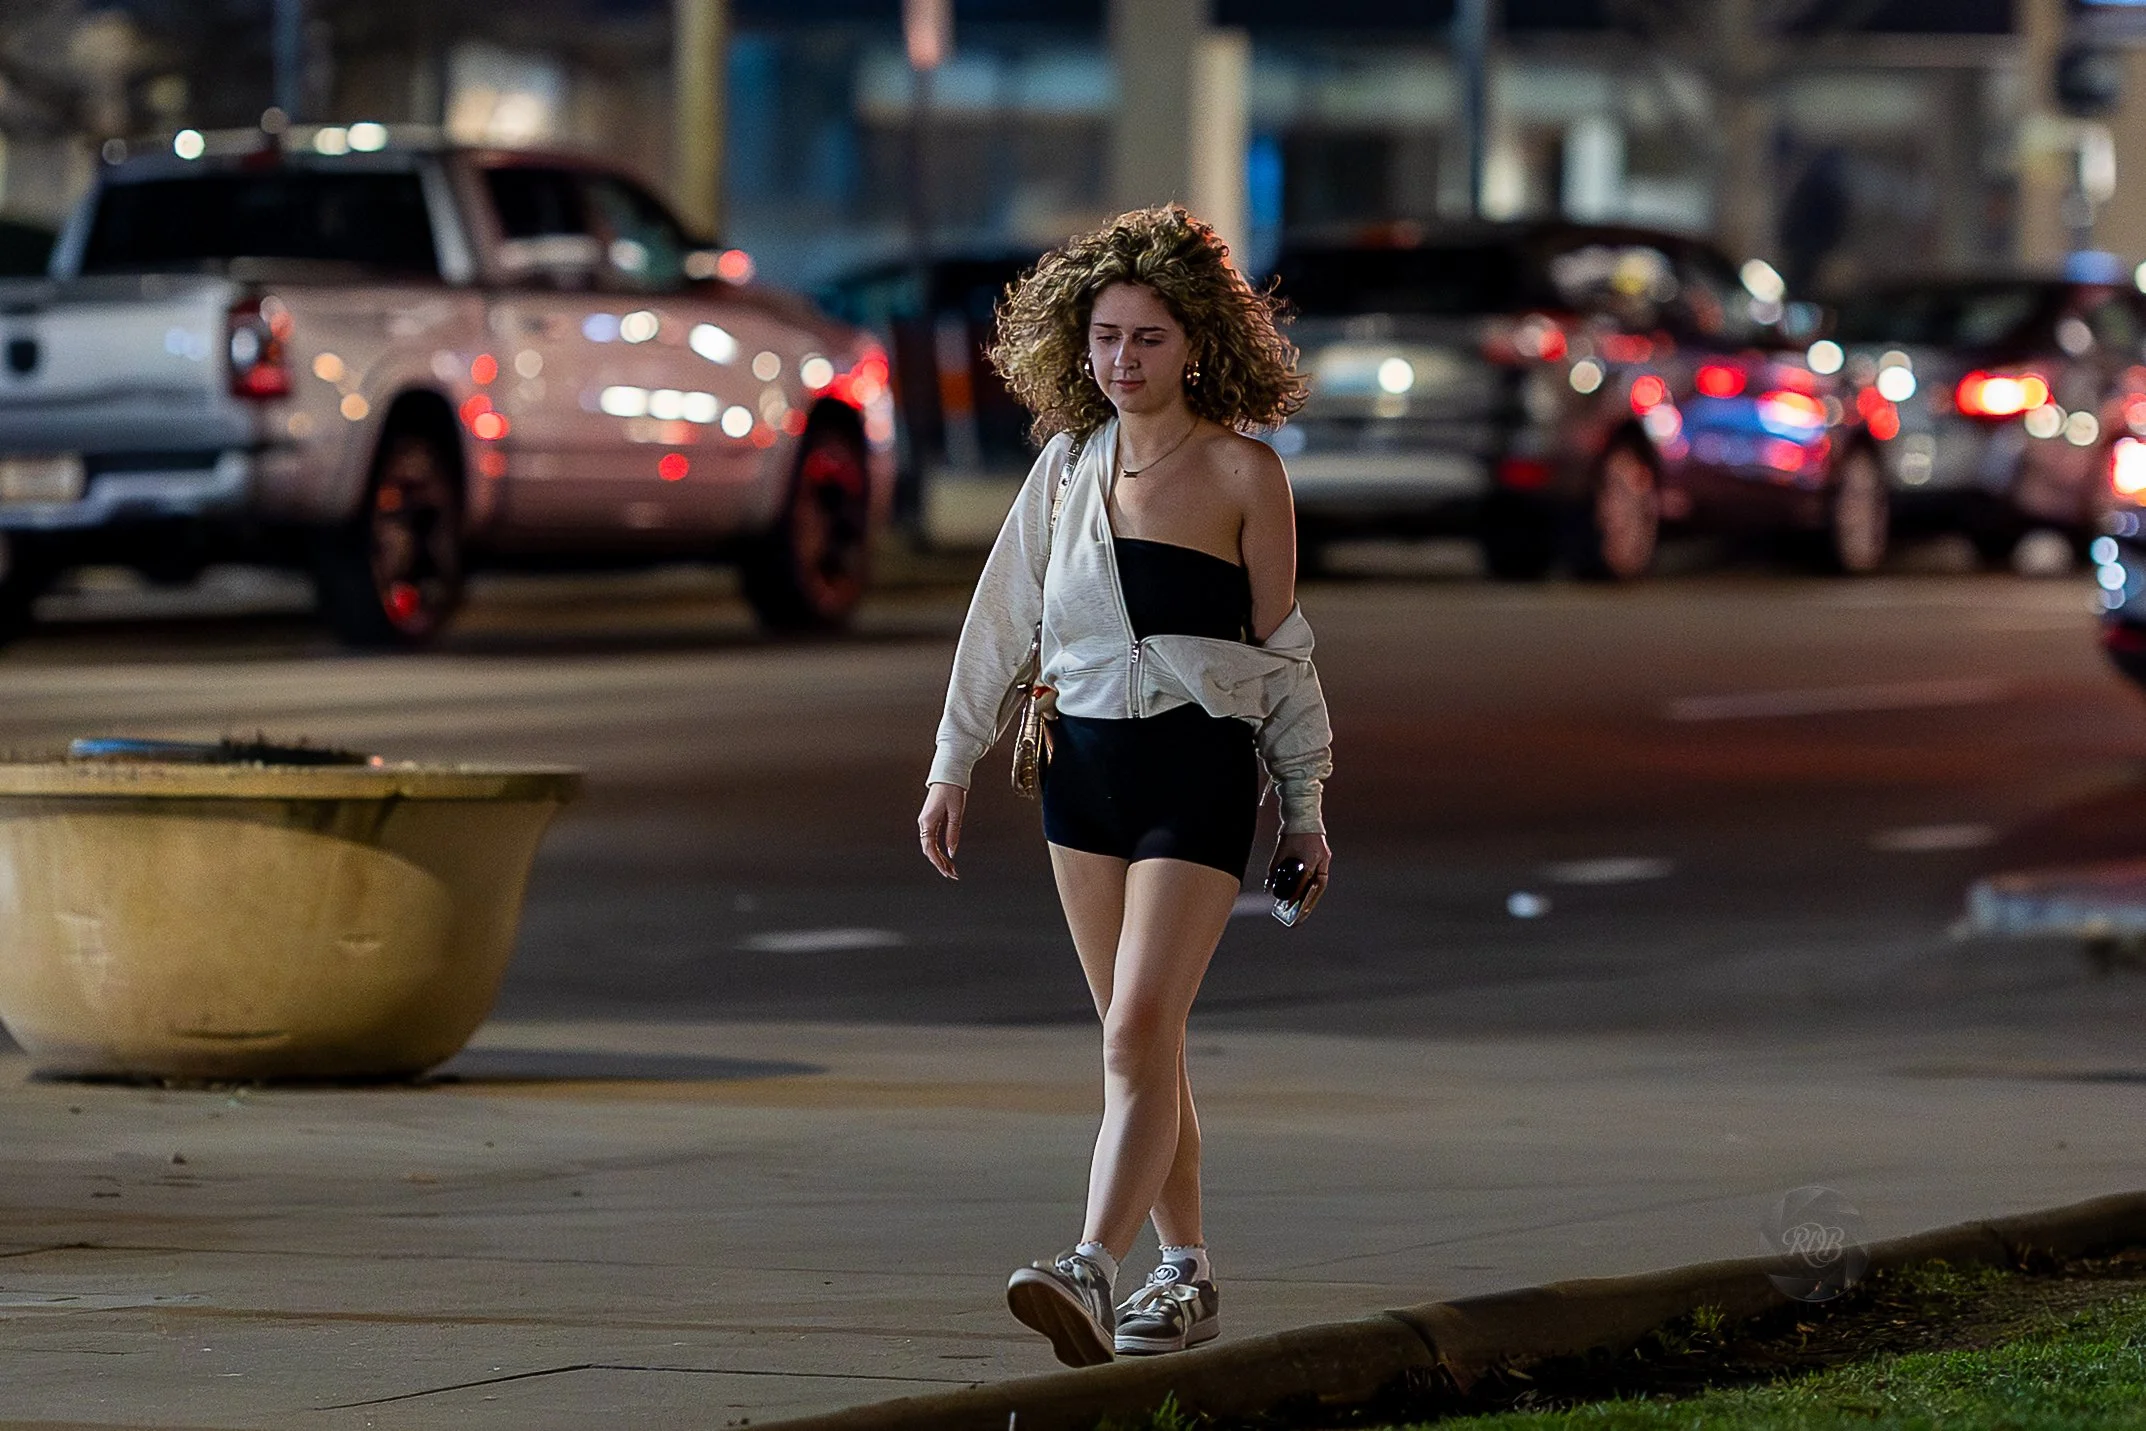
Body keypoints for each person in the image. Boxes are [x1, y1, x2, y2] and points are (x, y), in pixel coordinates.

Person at [915, 205, 1334, 1368]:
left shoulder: (1244, 473)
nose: (1121, 361)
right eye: (1104, 338)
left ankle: (1090, 1267)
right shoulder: (1063, 471)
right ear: (1074, 345)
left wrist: (1303, 806)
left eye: (1146, 339)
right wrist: (951, 764)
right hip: (1077, 772)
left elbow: (1280, 652)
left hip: (1195, 771)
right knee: (1138, 1042)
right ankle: (1185, 1273)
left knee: (1138, 1027)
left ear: (1196, 343)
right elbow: (998, 625)